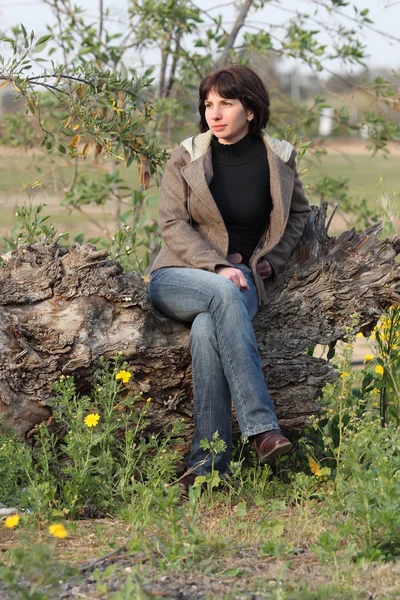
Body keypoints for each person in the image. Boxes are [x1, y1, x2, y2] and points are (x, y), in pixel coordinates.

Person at [149, 65, 310, 494]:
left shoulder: (279, 158)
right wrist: (216, 266)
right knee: (223, 290)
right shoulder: (186, 156)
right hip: (178, 276)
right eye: (208, 105)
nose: (214, 113)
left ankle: (206, 468)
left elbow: (298, 216)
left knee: (207, 331)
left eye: (226, 103)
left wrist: (272, 261)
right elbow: (171, 223)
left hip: (243, 280)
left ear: (251, 110)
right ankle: (261, 428)